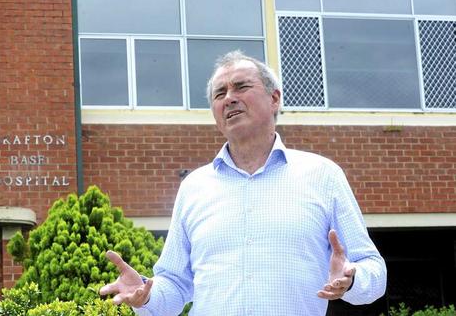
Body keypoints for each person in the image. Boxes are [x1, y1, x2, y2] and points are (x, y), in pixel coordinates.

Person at [99, 50, 387, 315]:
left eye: (241, 87)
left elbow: (374, 272)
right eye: (219, 93)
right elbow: (175, 285)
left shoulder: (323, 175)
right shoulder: (194, 187)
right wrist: (145, 296)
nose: (229, 98)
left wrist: (352, 279)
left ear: (274, 98)